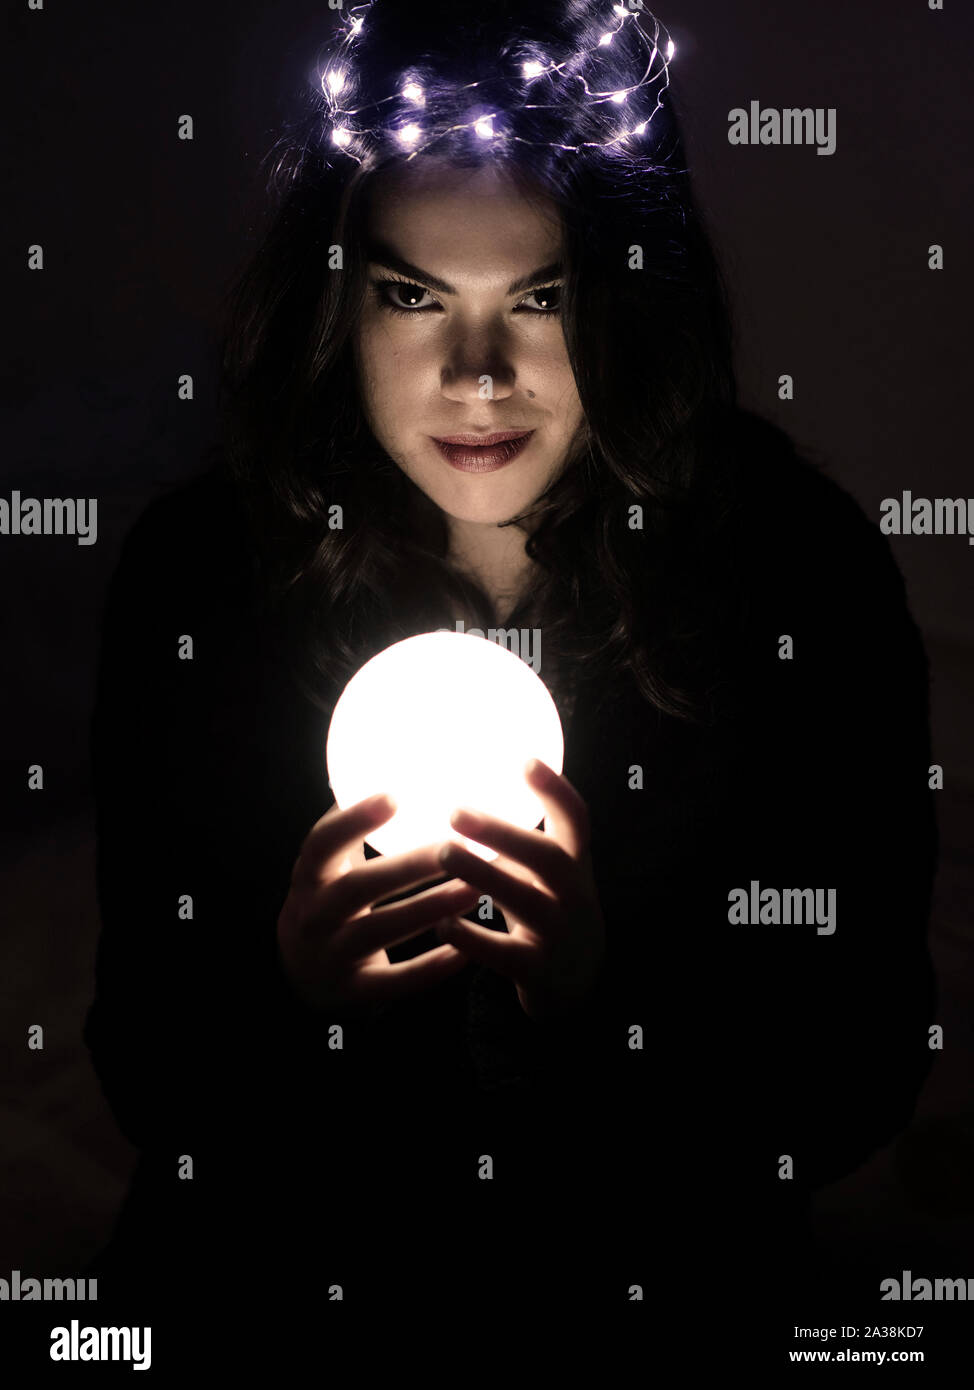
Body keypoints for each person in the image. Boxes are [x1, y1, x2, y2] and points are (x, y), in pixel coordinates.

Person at [83, 0, 936, 1361]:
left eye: (541, 298)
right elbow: (145, 1068)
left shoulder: (788, 568)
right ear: (332, 301)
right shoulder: (205, 575)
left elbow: (860, 1071)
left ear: (632, 296)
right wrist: (291, 996)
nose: (477, 377)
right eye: (412, 296)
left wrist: (605, 1008)